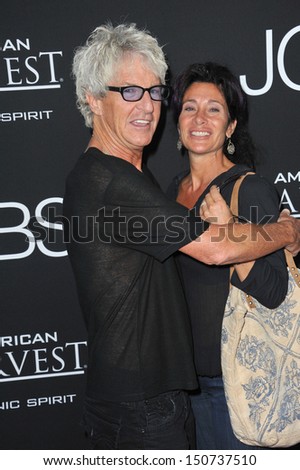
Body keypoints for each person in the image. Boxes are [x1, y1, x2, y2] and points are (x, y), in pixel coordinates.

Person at [63, 23, 300, 450]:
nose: (147, 105)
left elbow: (269, 287)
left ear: (231, 126)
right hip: (142, 406)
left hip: (215, 391)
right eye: (129, 91)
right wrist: (286, 230)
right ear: (94, 100)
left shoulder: (143, 181)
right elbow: (217, 248)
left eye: (154, 92)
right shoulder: (122, 182)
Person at [168, 61, 290, 449]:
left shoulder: (248, 190)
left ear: (231, 126)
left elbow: (274, 292)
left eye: (214, 108)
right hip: (182, 389)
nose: (200, 118)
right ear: (177, 122)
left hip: (233, 389)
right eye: (190, 107)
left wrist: (230, 229)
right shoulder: (171, 191)